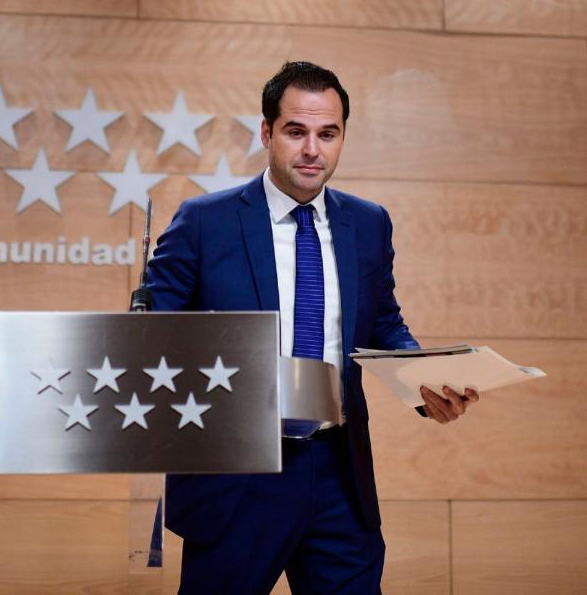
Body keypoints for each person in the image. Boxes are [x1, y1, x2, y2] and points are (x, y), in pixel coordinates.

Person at [146, 61, 478, 594]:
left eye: (328, 134)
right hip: (237, 473)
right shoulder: (205, 221)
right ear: (266, 132)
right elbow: (151, 337)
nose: (311, 150)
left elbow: (382, 322)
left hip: (339, 474)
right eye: (295, 131)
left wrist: (424, 382)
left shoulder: (368, 223)